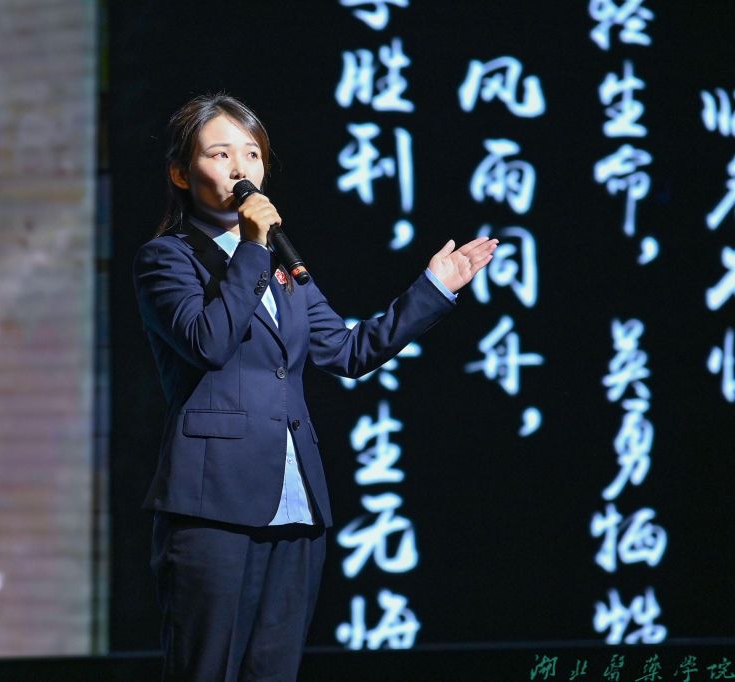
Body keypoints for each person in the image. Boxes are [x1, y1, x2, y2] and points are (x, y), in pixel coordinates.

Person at [133, 93, 497, 682]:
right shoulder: (167, 259)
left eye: (252, 154)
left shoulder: (282, 268)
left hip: (296, 503)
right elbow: (208, 341)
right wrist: (252, 246)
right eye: (220, 154)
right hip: (213, 505)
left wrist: (434, 288)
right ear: (181, 173)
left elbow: (348, 352)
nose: (240, 168)